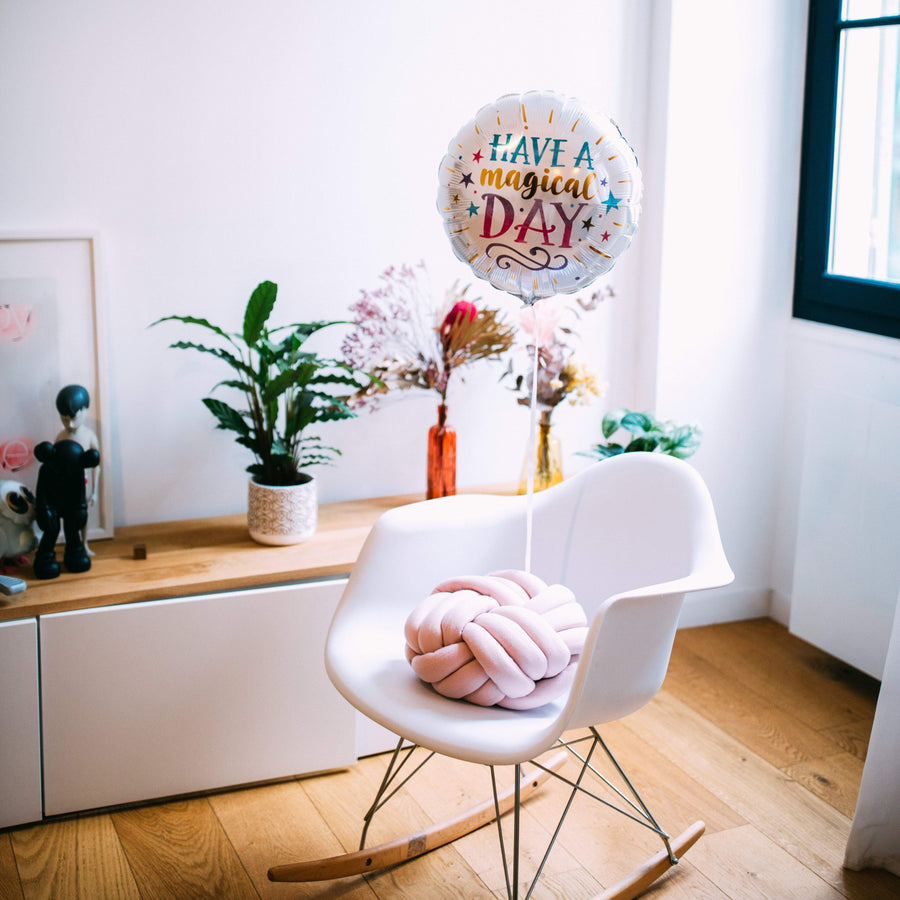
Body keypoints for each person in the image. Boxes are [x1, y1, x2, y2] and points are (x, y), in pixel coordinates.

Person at [54, 385, 100, 554]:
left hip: (84, 483)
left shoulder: (89, 436)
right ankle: (72, 543)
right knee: (68, 515)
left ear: (85, 410)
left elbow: (96, 466)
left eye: (74, 418)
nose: (70, 424)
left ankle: (85, 543)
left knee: (83, 515)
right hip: (65, 484)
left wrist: (94, 491)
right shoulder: (60, 437)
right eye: (64, 419)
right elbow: (54, 465)